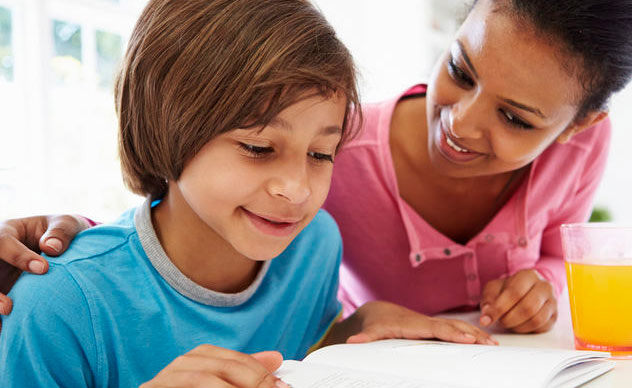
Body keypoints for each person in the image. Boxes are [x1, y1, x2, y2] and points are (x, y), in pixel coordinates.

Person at [0, 0, 632, 335]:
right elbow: (185, 207)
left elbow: (553, 251)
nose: (459, 122)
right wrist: (72, 243)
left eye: (517, 118)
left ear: (577, 126)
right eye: (459, 69)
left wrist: (542, 284)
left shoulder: (580, 151)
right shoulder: (338, 150)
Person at [0, 1, 493, 387]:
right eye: (258, 147)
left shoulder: (313, 244)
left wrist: (349, 334)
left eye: (321, 154)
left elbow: (298, 358)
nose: (297, 189)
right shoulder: (60, 304)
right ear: (168, 127)